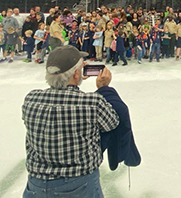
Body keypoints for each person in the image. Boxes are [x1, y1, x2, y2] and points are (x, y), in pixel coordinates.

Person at [22, 45, 120, 198]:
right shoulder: (91, 103)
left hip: (37, 185)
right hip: (80, 185)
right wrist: (104, 88)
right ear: (76, 74)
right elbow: (112, 122)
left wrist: (75, 78)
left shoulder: (31, 99)